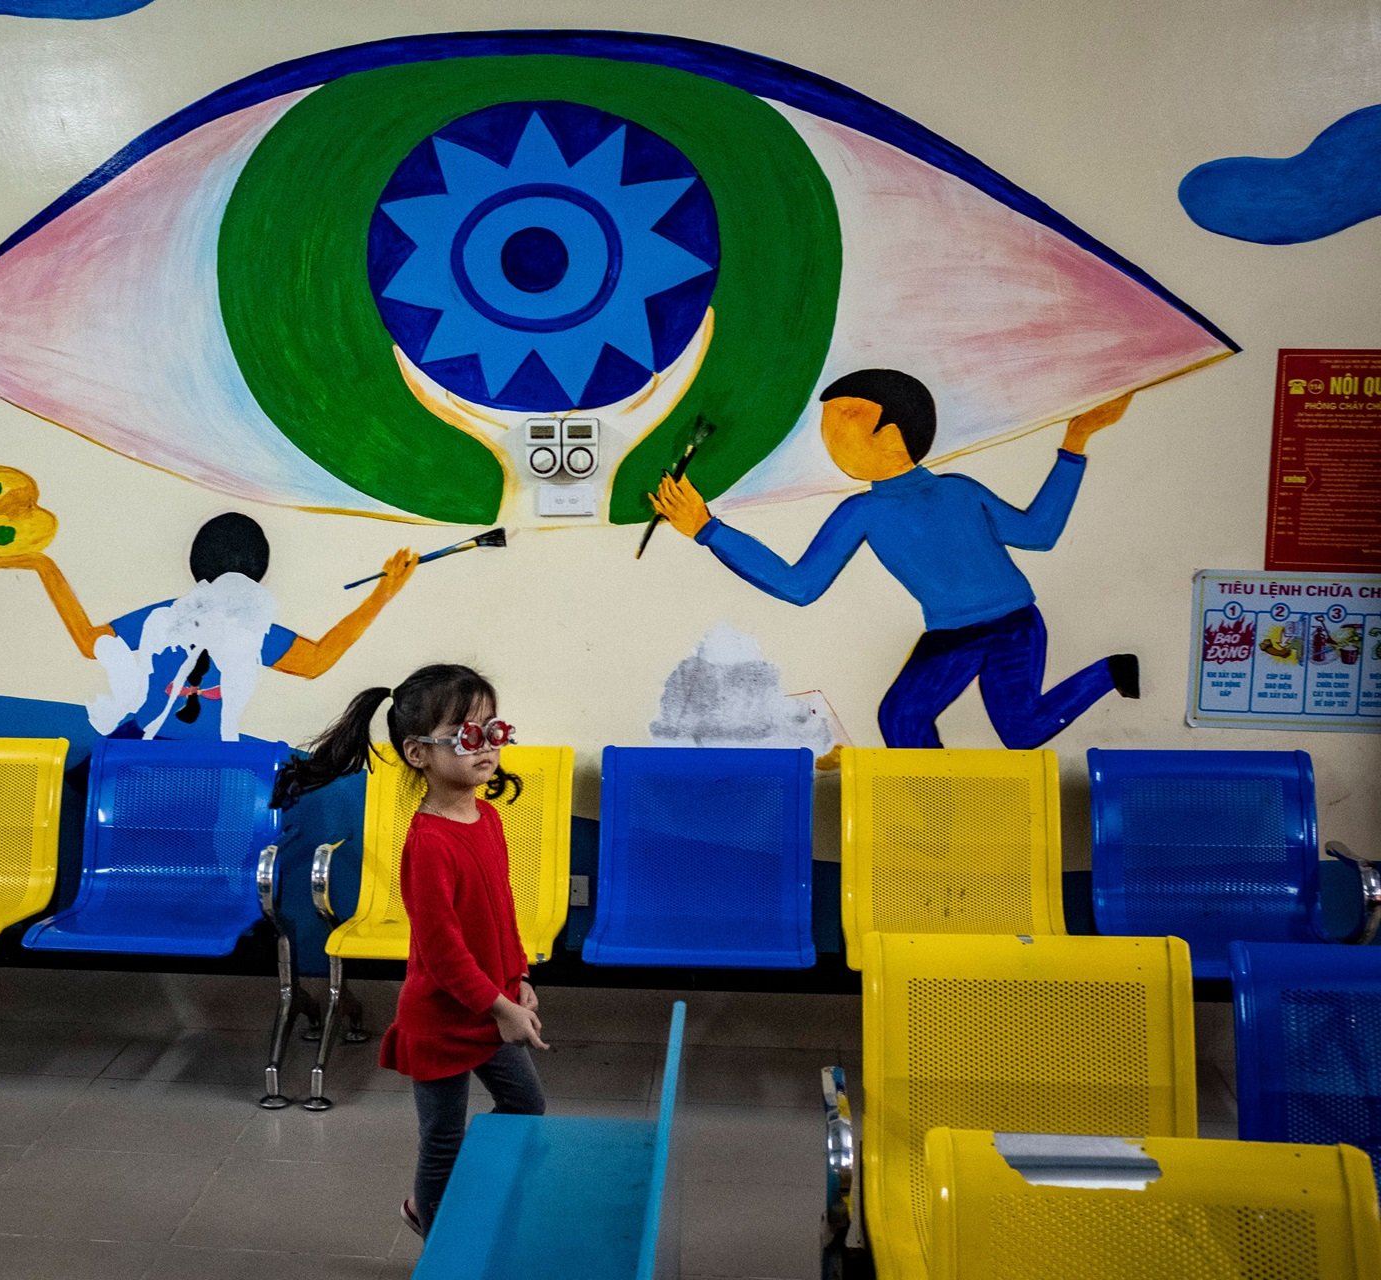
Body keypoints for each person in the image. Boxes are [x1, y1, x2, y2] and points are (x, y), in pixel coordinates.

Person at [649, 369, 1140, 749]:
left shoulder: (958, 491)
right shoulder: (862, 512)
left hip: (1015, 624)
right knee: (901, 717)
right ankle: (937, 816)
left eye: (842, 422)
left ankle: (1110, 672)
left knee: (1022, 731)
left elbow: (1038, 533)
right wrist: (708, 529)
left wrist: (1075, 442)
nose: (828, 439)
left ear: (891, 435)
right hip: (949, 636)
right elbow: (800, 586)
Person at [272, 664, 548, 1237]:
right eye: (466, 735)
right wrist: (501, 1008)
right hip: (444, 1019)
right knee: (442, 1140)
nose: (486, 746)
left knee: (527, 1107)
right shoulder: (428, 845)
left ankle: (469, 1194)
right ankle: (431, 1222)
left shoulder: (489, 817)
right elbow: (443, 955)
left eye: (493, 730)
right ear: (418, 753)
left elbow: (503, 912)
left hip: (493, 1004)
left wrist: (518, 976)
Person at [0, 512, 419, 740]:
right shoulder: (252, 629)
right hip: (208, 764)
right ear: (258, 571)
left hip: (136, 751)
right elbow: (316, 661)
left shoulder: (165, 615)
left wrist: (45, 567)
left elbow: (89, 642)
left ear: (198, 564)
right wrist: (382, 594)